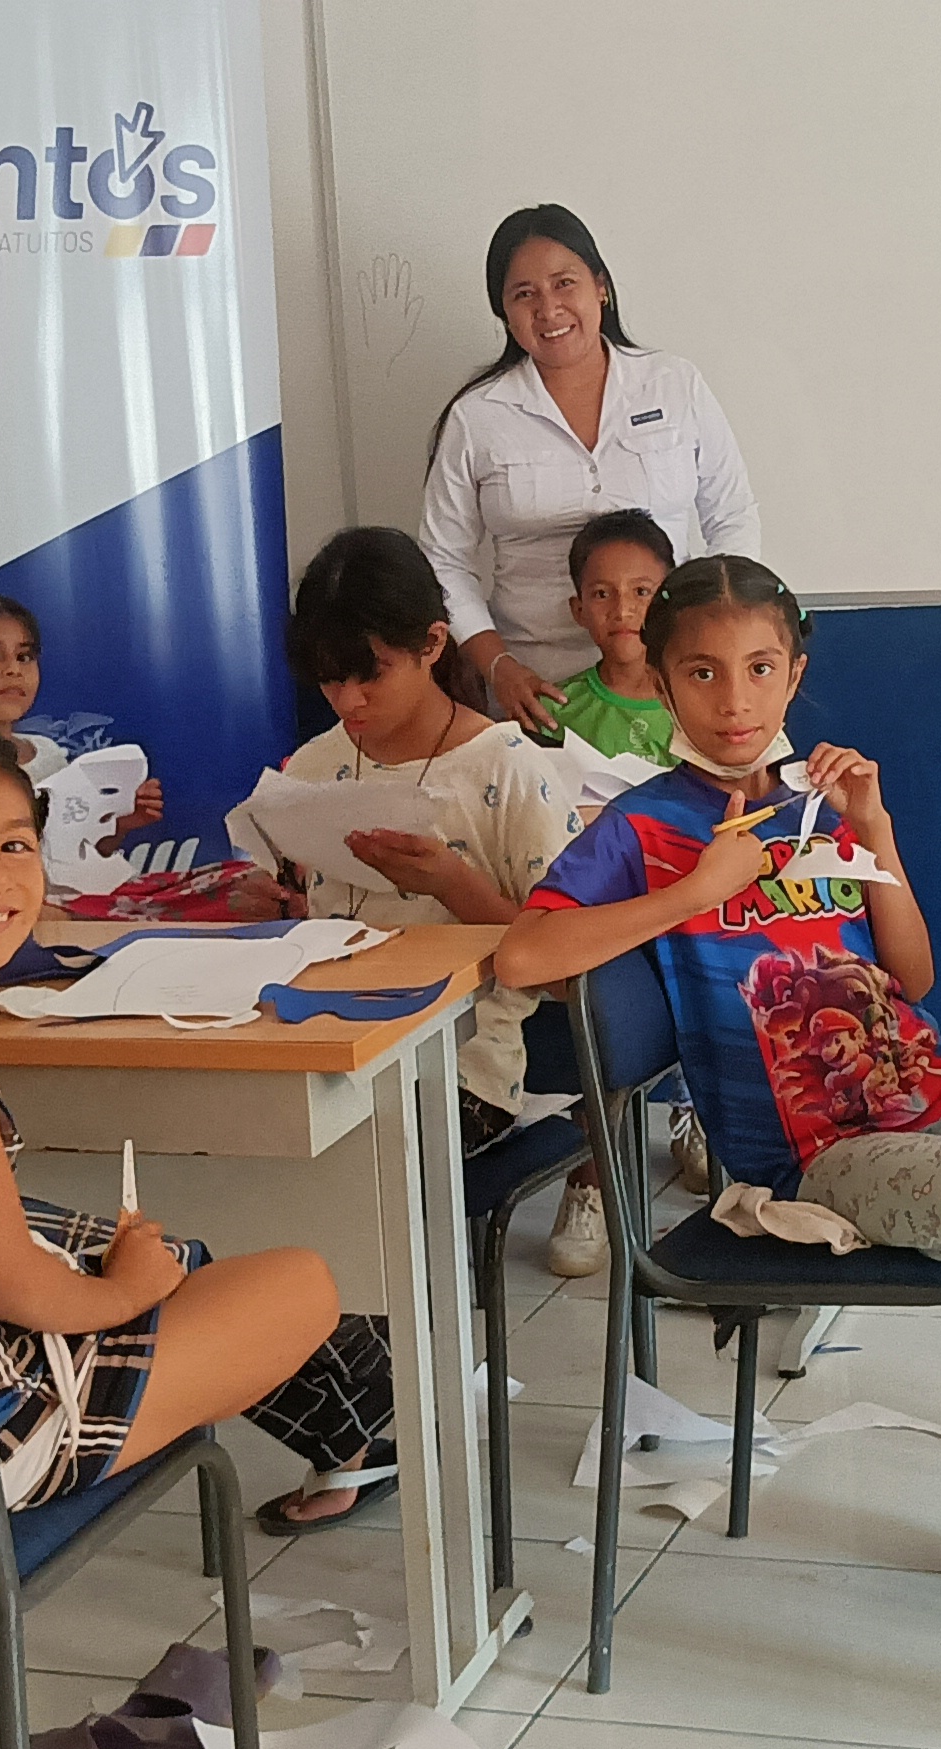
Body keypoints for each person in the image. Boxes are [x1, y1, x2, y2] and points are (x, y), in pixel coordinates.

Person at [493, 554, 941, 1579]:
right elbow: (521, 957)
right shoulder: (644, 827)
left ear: (794, 676)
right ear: (660, 683)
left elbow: (913, 978)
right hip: (805, 1155)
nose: (734, 701)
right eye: (701, 673)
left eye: (759, 669)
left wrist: (876, 830)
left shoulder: (823, 809)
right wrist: (692, 892)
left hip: (931, 1091)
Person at [0, 717, 398, 1535]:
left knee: (160, 1257)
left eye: (15, 845)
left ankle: (344, 1433)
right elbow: (6, 1286)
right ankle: (354, 1430)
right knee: (298, 1284)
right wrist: (125, 1291)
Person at [219, 528, 589, 1257]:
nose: (348, 700)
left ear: (433, 644)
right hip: (325, 1042)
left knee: (343, 1165)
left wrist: (454, 884)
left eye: (371, 675)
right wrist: (274, 902)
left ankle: (378, 1323)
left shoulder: (508, 767)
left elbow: (569, 970)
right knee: (236, 1143)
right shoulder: (314, 765)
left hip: (459, 1071)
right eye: (329, 681)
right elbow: (312, 910)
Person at [418, 205, 759, 736]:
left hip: (671, 679)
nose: (548, 309)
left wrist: (714, 638)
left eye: (564, 283)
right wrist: (498, 666)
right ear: (504, 311)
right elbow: (443, 559)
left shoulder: (674, 384)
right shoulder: (478, 416)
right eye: (524, 294)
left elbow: (731, 515)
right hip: (537, 687)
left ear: (600, 287)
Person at [0, 590, 162, 856]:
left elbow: (69, 855)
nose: (13, 670)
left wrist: (118, 823)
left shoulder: (47, 754)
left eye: (24, 657)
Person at [541, 509, 680, 765]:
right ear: (579, 610)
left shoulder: (700, 703)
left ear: (669, 601)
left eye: (641, 591)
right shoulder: (553, 710)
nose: (622, 611)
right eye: (602, 594)